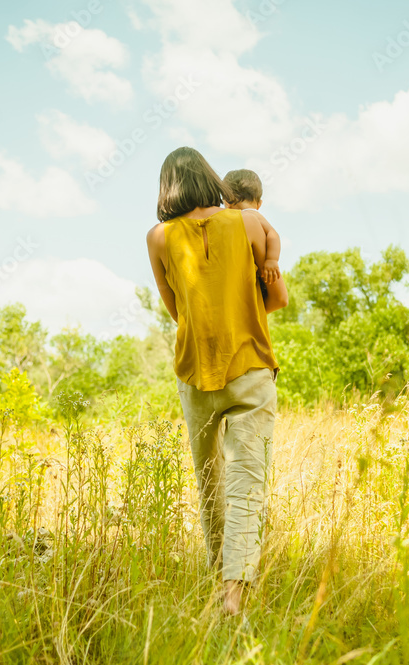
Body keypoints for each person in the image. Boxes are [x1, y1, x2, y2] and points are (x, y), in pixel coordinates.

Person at [145, 147, 288, 615]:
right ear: (209, 179)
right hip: (249, 366)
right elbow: (276, 297)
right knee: (248, 482)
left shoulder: (159, 238)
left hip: (195, 372)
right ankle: (234, 593)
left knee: (210, 485)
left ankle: (217, 581)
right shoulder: (247, 223)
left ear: (167, 188)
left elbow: (175, 309)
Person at [223, 169, 281, 286]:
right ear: (259, 204)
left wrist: (272, 260)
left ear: (227, 202)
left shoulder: (252, 214)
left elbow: (273, 234)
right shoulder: (252, 214)